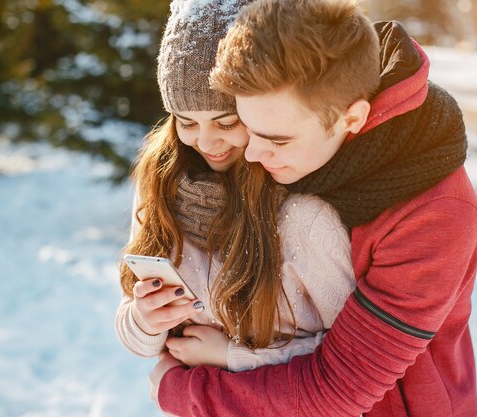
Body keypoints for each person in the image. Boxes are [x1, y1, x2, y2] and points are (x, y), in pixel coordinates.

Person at [151, 1, 477, 416]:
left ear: (352, 118)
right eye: (248, 129)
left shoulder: (435, 216)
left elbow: (338, 389)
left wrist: (182, 391)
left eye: (276, 139)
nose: (251, 155)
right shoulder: (302, 141)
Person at [116, 0, 354, 382]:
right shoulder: (161, 182)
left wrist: (234, 357)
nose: (206, 141)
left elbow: (357, 356)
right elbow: (134, 330)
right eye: (186, 121)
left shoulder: (305, 216)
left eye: (226, 121)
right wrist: (144, 322)